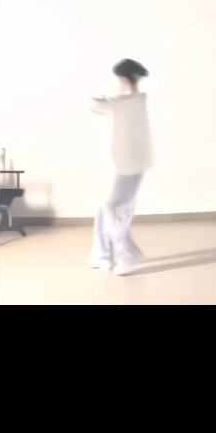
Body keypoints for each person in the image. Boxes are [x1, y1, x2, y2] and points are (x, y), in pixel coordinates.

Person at [88, 58, 152, 275]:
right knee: (110, 208)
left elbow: (95, 105)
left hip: (126, 165)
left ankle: (126, 256)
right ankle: (102, 255)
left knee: (115, 209)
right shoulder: (137, 100)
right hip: (132, 164)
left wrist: (104, 99)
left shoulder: (124, 102)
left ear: (124, 79)